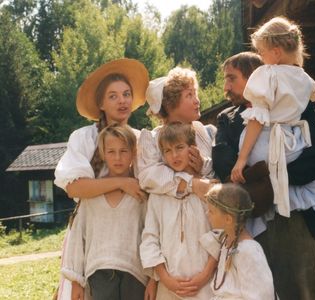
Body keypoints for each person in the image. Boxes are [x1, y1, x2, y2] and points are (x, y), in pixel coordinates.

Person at [231, 17, 315, 291]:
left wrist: (242, 158)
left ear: (275, 52)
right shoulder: (303, 78)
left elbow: (257, 119)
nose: (261, 58)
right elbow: (312, 98)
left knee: (303, 180)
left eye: (261, 52)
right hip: (292, 142)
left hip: (266, 141)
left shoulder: (266, 75)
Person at [54, 58, 155, 299]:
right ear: (100, 103)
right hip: (95, 235)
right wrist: (122, 182)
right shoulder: (85, 137)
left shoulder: (143, 140)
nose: (122, 100)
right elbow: (74, 187)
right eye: (113, 96)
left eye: (126, 94)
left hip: (133, 237)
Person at [137, 67, 217, 297]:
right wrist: (191, 184)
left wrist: (202, 167)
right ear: (170, 103)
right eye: (189, 95)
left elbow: (212, 178)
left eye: (195, 93)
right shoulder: (153, 139)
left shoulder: (200, 132)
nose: (197, 100)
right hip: (169, 225)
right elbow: (150, 178)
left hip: (202, 223)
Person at [62, 124, 148, 300]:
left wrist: (154, 279)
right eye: (111, 152)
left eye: (124, 151)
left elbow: (152, 235)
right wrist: (76, 281)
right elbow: (78, 237)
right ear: (103, 154)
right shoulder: (92, 195)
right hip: (99, 274)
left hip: (136, 275)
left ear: (133, 152)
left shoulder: (141, 193)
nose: (118, 157)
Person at [205, 183, 275, 300]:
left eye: (211, 211)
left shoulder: (249, 251)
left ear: (228, 219)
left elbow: (262, 296)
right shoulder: (226, 241)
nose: (207, 214)